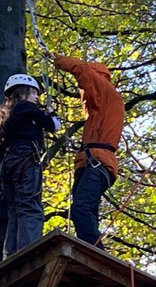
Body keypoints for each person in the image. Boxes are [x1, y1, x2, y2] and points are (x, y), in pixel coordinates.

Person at [49, 53, 124, 248]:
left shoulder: (106, 92)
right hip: (93, 162)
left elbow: (83, 71)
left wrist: (59, 60)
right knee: (87, 211)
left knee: (81, 209)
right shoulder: (99, 110)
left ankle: (96, 253)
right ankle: (91, 249)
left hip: (98, 162)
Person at [0, 73, 60, 255]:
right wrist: (52, 116)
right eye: (34, 93)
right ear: (23, 93)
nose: (37, 97)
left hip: (10, 163)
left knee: (15, 211)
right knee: (30, 207)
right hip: (26, 159)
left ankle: (11, 255)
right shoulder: (26, 107)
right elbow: (54, 126)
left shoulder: (7, 113)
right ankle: (29, 253)